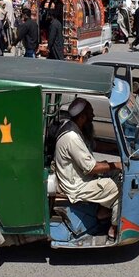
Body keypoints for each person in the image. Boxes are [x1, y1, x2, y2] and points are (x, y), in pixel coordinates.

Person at [53, 98, 122, 241]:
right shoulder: (72, 137)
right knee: (120, 188)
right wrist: (117, 164)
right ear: (83, 116)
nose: (94, 116)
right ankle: (113, 227)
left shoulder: (75, 128)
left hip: (80, 177)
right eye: (91, 113)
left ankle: (104, 211)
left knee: (115, 173)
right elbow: (91, 168)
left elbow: (93, 145)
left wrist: (116, 147)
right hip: (76, 186)